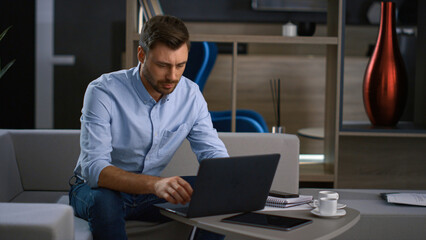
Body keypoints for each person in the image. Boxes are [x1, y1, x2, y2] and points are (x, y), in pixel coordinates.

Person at [69, 15, 229, 240]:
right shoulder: (103, 91)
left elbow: (212, 152)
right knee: (105, 202)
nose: (172, 76)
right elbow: (95, 169)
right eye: (163, 65)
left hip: (148, 196)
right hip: (95, 191)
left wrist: (230, 179)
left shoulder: (191, 95)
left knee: (216, 193)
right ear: (141, 55)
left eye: (180, 65)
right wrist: (155, 185)